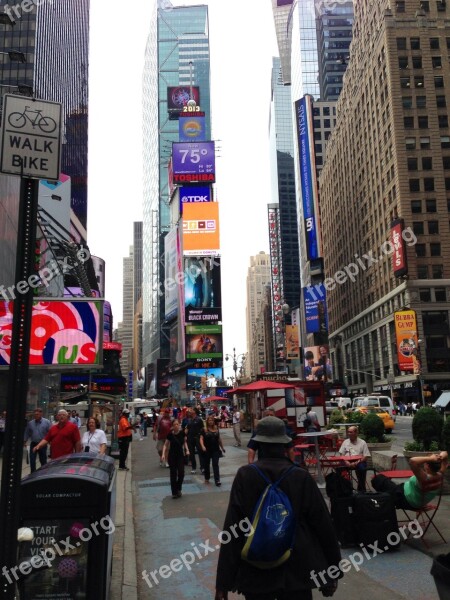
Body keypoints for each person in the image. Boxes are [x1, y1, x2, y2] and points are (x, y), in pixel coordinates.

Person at [215, 416, 342, 599]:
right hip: (297, 569)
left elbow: (232, 528)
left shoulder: (245, 475)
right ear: (285, 444)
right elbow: (323, 525)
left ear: (258, 444)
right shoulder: (301, 476)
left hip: (256, 569)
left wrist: (223, 583)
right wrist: (333, 571)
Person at [372, 451, 448, 509]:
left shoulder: (424, 478)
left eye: (425, 463)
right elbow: (446, 454)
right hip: (415, 500)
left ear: (427, 466)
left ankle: (382, 507)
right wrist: (440, 456)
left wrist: (431, 458)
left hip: (404, 498)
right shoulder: (440, 475)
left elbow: (412, 461)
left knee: (377, 479)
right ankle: (384, 502)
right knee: (387, 485)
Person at [161, 418, 189, 499]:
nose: (176, 426)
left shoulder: (182, 433)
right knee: (173, 474)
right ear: (172, 426)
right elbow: (165, 445)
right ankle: (174, 492)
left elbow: (184, 442)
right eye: (175, 425)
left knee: (181, 473)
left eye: (178, 424)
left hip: (180, 455)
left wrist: (187, 450)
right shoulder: (170, 434)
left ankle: (178, 488)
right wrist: (163, 454)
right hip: (172, 456)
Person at [339, 425, 371, 492]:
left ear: (356, 433)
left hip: (359, 461)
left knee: (362, 469)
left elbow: (366, 456)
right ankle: (345, 488)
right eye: (348, 432)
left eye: (351, 432)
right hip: (346, 460)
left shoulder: (362, 442)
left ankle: (361, 489)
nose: (349, 434)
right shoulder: (345, 442)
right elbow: (341, 454)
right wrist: (346, 462)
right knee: (339, 468)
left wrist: (356, 462)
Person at [199, 414, 225, 486]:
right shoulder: (204, 429)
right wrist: (203, 446)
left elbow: (219, 439)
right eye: (209, 420)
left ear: (214, 421)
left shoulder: (216, 428)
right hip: (207, 450)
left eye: (212, 420)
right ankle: (207, 478)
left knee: (215, 464)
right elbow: (201, 439)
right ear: (207, 422)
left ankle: (217, 480)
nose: (211, 421)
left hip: (215, 450)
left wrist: (222, 448)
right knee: (206, 465)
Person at [23, 408, 51, 472]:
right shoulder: (30, 423)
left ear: (41, 414)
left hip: (42, 444)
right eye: (35, 414)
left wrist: (50, 442)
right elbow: (27, 433)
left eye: (37, 414)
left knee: (43, 460)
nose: (36, 415)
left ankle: (43, 473)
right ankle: (33, 473)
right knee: (32, 460)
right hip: (33, 443)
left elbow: (50, 433)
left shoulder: (47, 422)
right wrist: (24, 441)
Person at [185, 407, 204, 474]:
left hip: (197, 438)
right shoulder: (189, 420)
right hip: (190, 438)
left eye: (192, 410)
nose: (190, 411)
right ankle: (193, 467)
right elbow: (187, 428)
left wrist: (201, 436)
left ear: (195, 412)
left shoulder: (199, 419)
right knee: (192, 454)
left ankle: (202, 467)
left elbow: (202, 428)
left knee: (200, 453)